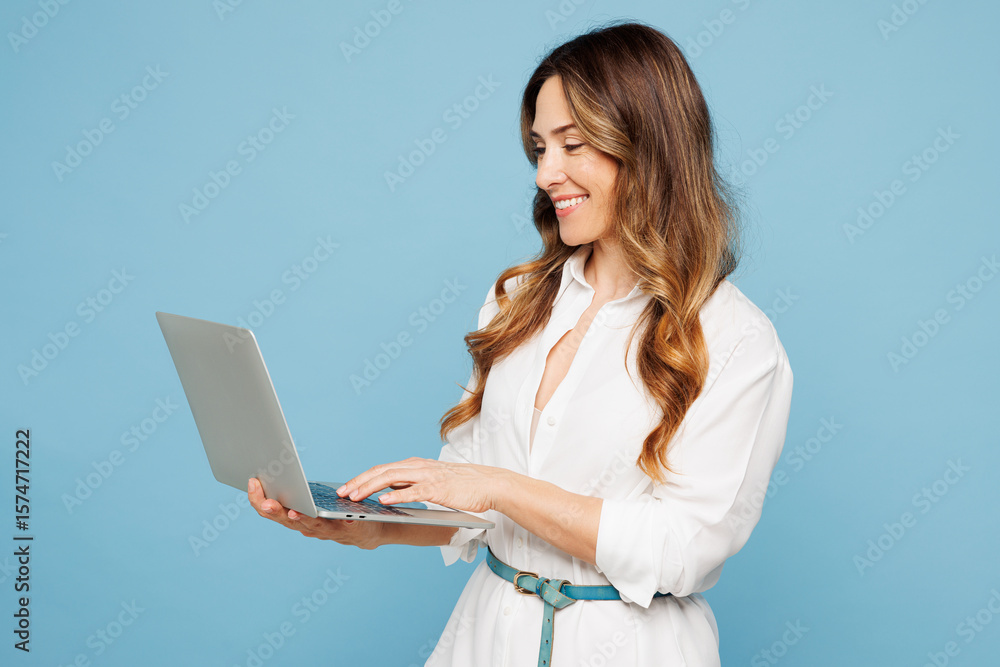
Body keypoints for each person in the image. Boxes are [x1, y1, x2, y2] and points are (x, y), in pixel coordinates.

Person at [247, 20, 793, 667]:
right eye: (539, 147)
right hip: (485, 636)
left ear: (649, 145)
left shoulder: (735, 339)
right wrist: (366, 527)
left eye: (572, 144)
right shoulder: (517, 300)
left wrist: (499, 486)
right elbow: (471, 502)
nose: (545, 173)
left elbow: (684, 548)